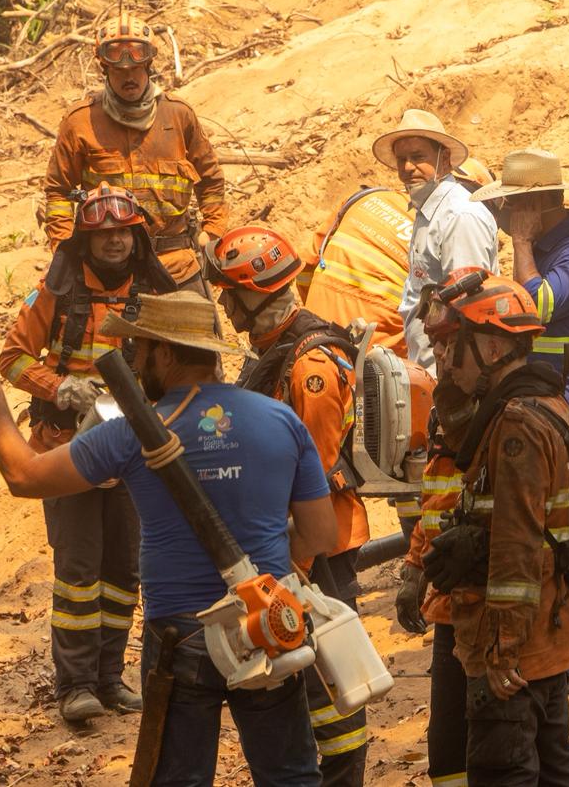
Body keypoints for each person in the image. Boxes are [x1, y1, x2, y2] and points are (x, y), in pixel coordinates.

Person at [0, 291, 337, 785]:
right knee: (291, 777)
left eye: (140, 350)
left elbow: (24, 477)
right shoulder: (280, 419)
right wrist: (268, 576)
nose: (134, 361)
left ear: (166, 353)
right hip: (268, 627)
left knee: (176, 779)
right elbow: (321, 533)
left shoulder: (134, 433)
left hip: (181, 637)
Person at [0, 183, 177, 722]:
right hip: (67, 448)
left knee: (124, 569)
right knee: (79, 569)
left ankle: (109, 678)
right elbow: (10, 357)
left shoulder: (155, 291)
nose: (116, 241)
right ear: (85, 239)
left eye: (124, 231)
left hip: (134, 449)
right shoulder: (56, 291)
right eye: (104, 233)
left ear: (137, 234)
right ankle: (74, 686)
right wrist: (58, 388)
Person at [202, 226, 369, 786]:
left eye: (230, 294)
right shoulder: (273, 354)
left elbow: (315, 475)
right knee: (304, 676)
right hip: (290, 540)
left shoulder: (309, 366)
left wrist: (293, 561)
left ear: (254, 294)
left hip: (317, 543)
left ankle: (343, 776)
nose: (225, 305)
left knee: (330, 681)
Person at [420, 272, 569, 787]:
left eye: (455, 348)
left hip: (512, 650)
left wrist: (501, 651)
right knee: (554, 770)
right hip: (546, 638)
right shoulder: (544, 404)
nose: (445, 360)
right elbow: (466, 444)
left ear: (491, 346)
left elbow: (516, 546)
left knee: (500, 771)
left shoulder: (516, 425)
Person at [471, 148, 569, 693]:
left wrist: (523, 244)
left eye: (511, 206)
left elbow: (536, 306)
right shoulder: (552, 248)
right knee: (544, 527)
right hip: (548, 406)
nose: (504, 215)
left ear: (534, 205)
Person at [42, 11, 228, 291]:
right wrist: (64, 248)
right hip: (108, 272)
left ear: (149, 66)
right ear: (105, 69)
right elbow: (59, 191)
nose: (128, 78)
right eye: (118, 70)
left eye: (135, 70)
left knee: (197, 333)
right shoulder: (80, 122)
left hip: (177, 265)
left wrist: (211, 233)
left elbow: (211, 181)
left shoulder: (178, 115)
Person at [394, 268, 488, 787]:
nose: (442, 359)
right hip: (451, 601)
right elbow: (436, 496)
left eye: (452, 345)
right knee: (447, 746)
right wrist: (414, 571)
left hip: (490, 608)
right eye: (437, 346)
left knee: (496, 745)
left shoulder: (508, 410)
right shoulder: (447, 406)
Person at [296, 154, 494, 356]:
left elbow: (307, 267)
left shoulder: (365, 198)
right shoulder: (449, 226)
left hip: (310, 342)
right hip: (368, 361)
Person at [371, 109, 498, 372]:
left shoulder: (458, 217)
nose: (407, 168)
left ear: (445, 159)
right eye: (401, 159)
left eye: (418, 157)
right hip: (432, 369)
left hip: (455, 371)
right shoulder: (428, 212)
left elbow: (466, 306)